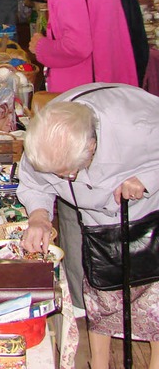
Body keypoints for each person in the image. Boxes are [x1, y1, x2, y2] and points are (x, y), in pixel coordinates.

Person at [17, 83, 159, 369]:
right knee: (101, 293)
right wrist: (39, 216)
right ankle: (99, 363)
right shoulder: (44, 140)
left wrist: (147, 177)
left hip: (148, 211)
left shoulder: (136, 123)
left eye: (69, 172)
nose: (65, 178)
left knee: (154, 297)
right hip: (97, 222)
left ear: (91, 146)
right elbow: (34, 183)